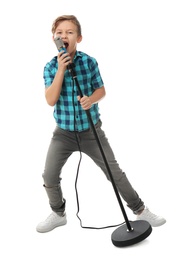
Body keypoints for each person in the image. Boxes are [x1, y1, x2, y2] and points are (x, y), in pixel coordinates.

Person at [36, 15, 166, 233]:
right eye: (60, 32)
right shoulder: (50, 67)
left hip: (90, 130)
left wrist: (91, 99)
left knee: (114, 172)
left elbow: (101, 90)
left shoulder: (89, 62)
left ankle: (141, 210)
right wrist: (61, 69)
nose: (64, 36)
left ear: (79, 37)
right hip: (63, 134)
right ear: (53, 38)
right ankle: (58, 213)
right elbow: (50, 100)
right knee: (49, 175)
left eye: (69, 32)